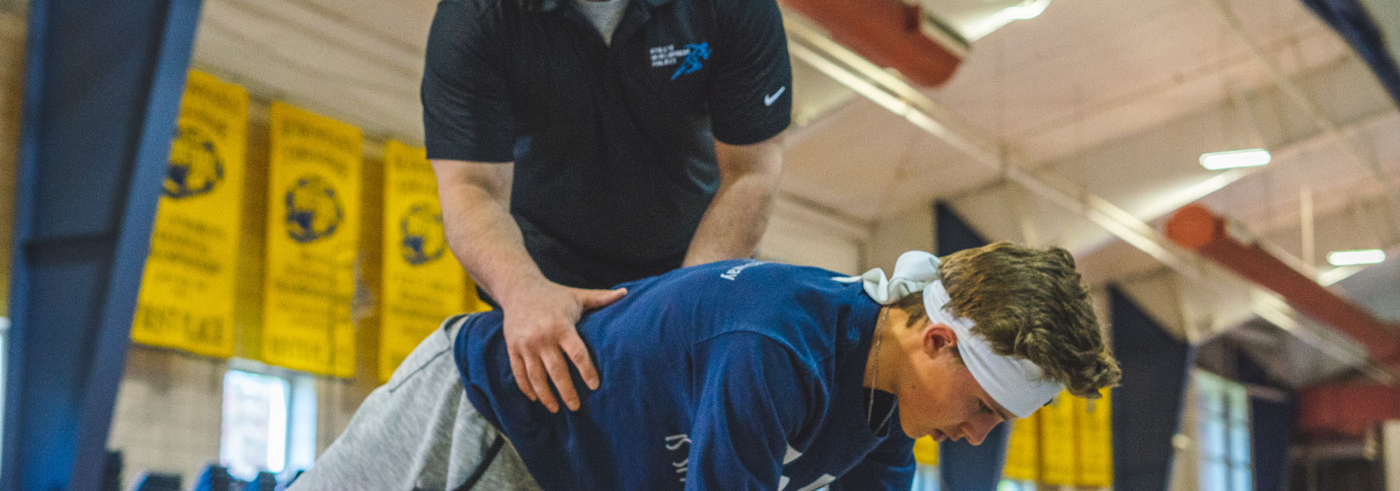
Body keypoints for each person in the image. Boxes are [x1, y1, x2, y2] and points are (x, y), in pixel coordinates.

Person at [290, 243, 1122, 490]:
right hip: (491, 420)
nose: (977, 436)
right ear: (935, 340)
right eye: (983, 408)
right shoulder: (776, 349)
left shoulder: (886, 419)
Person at [421, 0, 791, 415]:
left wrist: (686, 304)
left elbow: (751, 173)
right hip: (544, 282)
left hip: (686, 264)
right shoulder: (475, 16)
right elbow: (469, 186)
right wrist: (522, 292)